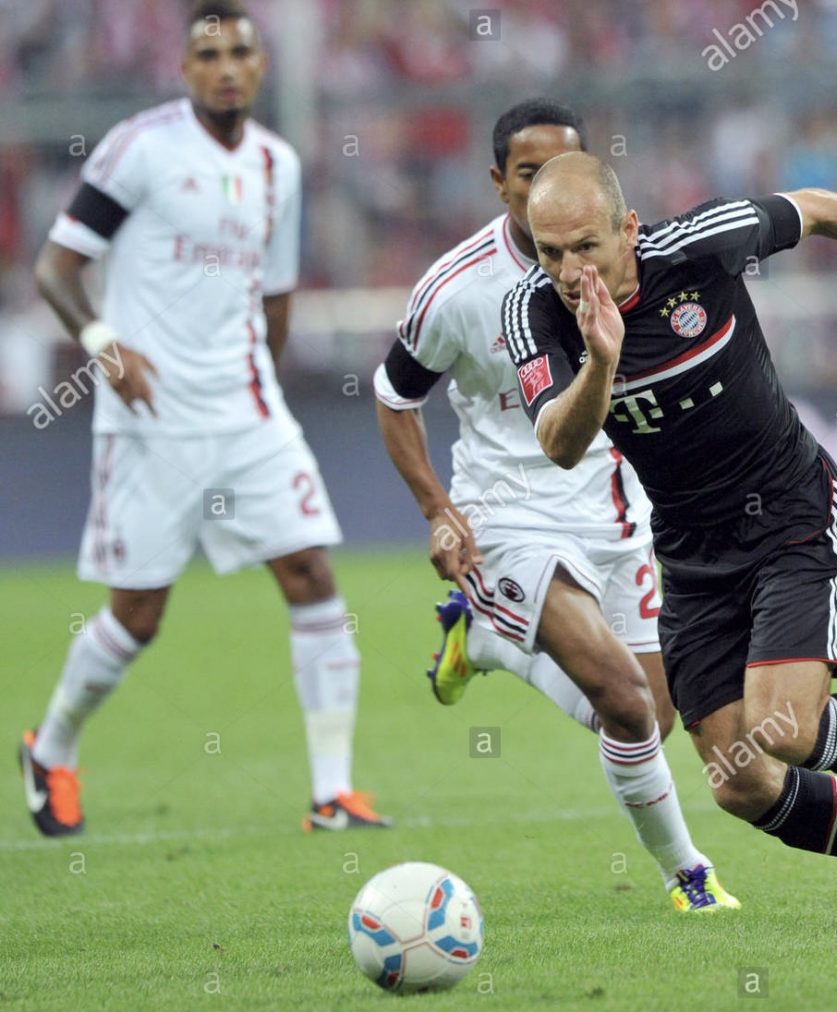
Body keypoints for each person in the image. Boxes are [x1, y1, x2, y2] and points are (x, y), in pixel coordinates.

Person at [502, 150, 837, 929]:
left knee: (786, 727)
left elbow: (821, 207)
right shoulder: (534, 313)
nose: (570, 270)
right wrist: (601, 363)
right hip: (690, 553)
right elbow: (558, 441)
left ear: (629, 228)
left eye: (587, 246)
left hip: (791, 513)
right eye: (550, 252)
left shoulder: (701, 245)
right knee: (739, 780)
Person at [19, 0, 390, 837]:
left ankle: (333, 792)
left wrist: (266, 390)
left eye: (239, 54)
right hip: (150, 419)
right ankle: (53, 746)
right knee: (138, 613)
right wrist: (104, 345)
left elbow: (278, 296)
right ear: (185, 68)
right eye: (209, 55)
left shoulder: (277, 165)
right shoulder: (141, 149)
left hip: (247, 412)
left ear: (261, 66)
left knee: (311, 572)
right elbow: (56, 267)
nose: (226, 69)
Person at [374, 99, 737, 913]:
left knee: (649, 718)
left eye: (561, 168)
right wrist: (438, 510)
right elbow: (394, 396)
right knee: (621, 695)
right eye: (528, 172)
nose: (546, 185)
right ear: (499, 181)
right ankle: (688, 875)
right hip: (509, 515)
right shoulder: (456, 288)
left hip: (615, 511)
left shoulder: (622, 257)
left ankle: (486, 641)